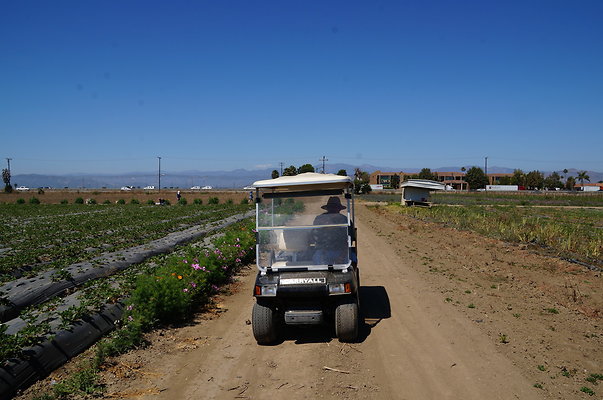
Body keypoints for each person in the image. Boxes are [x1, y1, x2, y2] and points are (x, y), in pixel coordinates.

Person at [312, 196, 348, 265]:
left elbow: (349, 238)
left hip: (341, 250)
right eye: (332, 207)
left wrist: (342, 255)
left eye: (335, 207)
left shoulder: (345, 220)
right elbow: (315, 235)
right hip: (323, 250)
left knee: (352, 260)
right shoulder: (320, 219)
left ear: (339, 209)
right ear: (328, 208)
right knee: (318, 258)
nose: (333, 209)